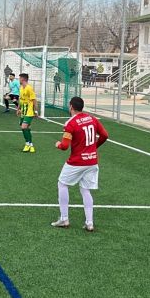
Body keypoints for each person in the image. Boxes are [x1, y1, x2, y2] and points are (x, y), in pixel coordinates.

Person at [52, 96, 109, 232]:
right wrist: (94, 147)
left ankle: (64, 218)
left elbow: (65, 146)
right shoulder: (92, 119)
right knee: (85, 189)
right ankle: (89, 223)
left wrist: (58, 144)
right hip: (92, 161)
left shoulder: (70, 123)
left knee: (62, 183)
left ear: (71, 106)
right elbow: (105, 135)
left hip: (77, 161)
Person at [17, 73, 37, 153]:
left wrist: (35, 111)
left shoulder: (29, 88)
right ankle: (30, 144)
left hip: (29, 111)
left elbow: (34, 100)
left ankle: (27, 143)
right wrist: (18, 109)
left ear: (23, 79)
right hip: (23, 111)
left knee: (24, 127)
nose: (19, 80)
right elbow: (20, 99)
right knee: (25, 128)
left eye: (19, 78)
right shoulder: (21, 88)